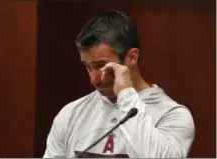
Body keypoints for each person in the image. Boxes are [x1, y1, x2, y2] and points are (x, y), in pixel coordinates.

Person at [43, 10, 195, 158]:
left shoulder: (172, 115)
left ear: (132, 57)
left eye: (102, 65)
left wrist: (126, 94)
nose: (94, 80)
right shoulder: (71, 114)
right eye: (88, 67)